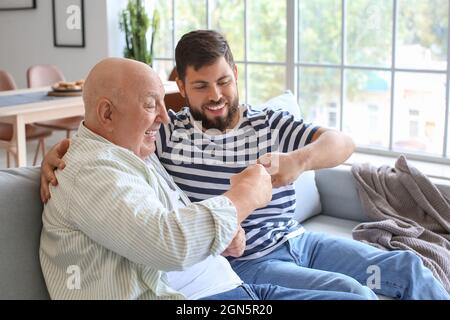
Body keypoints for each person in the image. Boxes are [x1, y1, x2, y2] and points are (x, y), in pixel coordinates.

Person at [41, 30, 450, 300]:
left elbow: (342, 143)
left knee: (408, 266)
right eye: (200, 86)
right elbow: (109, 139)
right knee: (350, 292)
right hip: (247, 260)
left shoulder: (267, 123)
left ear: (236, 74)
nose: (216, 95)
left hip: (296, 240)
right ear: (181, 89)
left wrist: (298, 160)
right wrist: (54, 155)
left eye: (224, 81)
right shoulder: (166, 132)